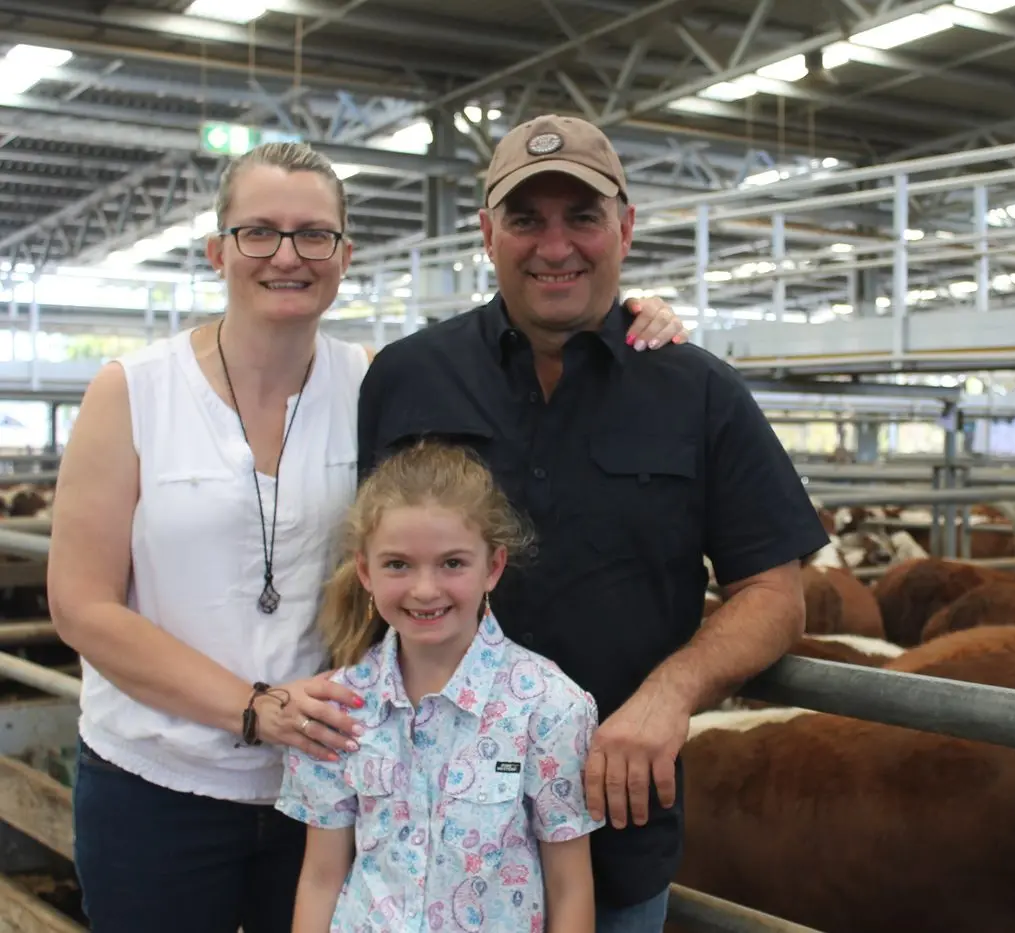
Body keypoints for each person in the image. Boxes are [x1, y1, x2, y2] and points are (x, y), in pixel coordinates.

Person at [46, 140, 687, 932]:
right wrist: (252, 707)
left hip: (335, 784)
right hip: (158, 780)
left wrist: (628, 312)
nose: (287, 254)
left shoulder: (378, 380)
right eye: (259, 232)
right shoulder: (132, 390)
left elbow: (500, 406)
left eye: (314, 234)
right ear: (217, 250)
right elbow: (81, 605)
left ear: (344, 255)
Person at [355, 113, 830, 932]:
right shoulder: (405, 377)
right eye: (525, 218)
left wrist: (668, 694)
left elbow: (774, 594)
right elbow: (358, 576)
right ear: (485, 233)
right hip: (417, 833)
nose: (554, 245)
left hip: (611, 825)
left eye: (581, 216)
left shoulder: (700, 393)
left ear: (625, 227)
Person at [277, 440, 604, 933]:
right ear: (365, 570)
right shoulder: (338, 708)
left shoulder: (550, 706)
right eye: (397, 564)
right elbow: (322, 877)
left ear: (493, 567)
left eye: (452, 563)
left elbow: (570, 885)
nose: (425, 589)